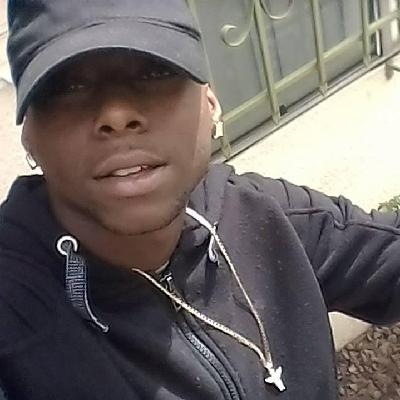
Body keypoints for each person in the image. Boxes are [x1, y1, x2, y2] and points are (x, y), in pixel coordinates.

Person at [0, 0, 399, 399]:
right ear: (29, 137)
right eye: (68, 86)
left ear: (211, 102)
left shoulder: (264, 214)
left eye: (154, 71)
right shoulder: (15, 316)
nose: (117, 114)